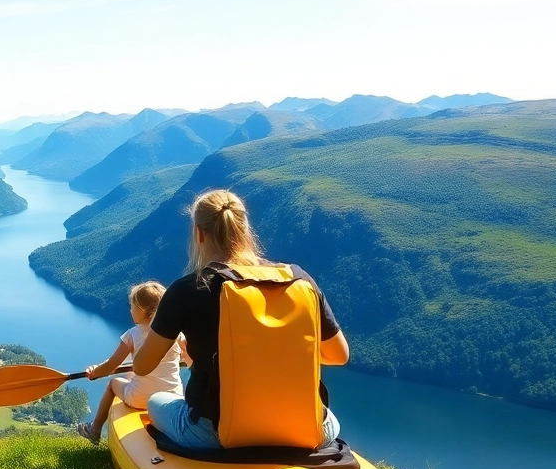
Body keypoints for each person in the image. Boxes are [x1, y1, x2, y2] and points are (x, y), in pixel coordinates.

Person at [130, 189, 351, 450]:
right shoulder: (298, 279)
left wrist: (194, 352)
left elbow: (142, 366)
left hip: (215, 433)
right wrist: (275, 349)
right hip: (308, 428)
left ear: (199, 233)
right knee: (329, 420)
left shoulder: (189, 289)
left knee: (156, 401)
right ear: (244, 228)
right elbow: (339, 355)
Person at [76, 281, 185, 446]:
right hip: (173, 397)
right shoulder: (176, 333)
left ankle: (95, 429)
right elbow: (188, 357)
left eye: (132, 306)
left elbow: (111, 365)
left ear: (142, 310)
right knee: (133, 374)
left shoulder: (132, 335)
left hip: (140, 398)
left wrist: (95, 372)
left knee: (113, 384)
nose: (130, 310)